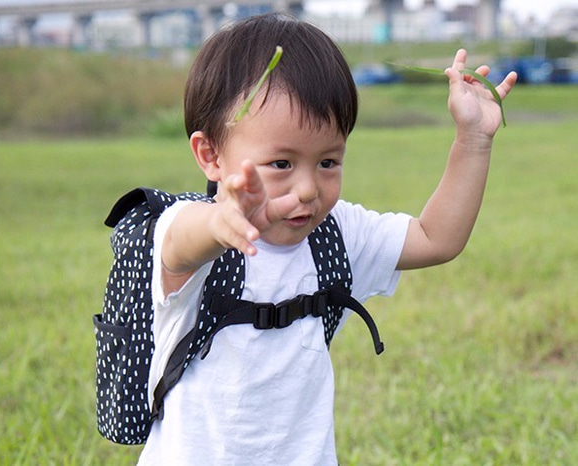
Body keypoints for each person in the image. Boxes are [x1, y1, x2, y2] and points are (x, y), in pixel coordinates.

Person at [137, 12, 517, 465]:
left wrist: (473, 140)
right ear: (211, 155)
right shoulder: (191, 227)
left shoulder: (335, 233)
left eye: (328, 162)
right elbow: (181, 247)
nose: (308, 190)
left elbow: (437, 238)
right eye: (281, 163)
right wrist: (222, 224)